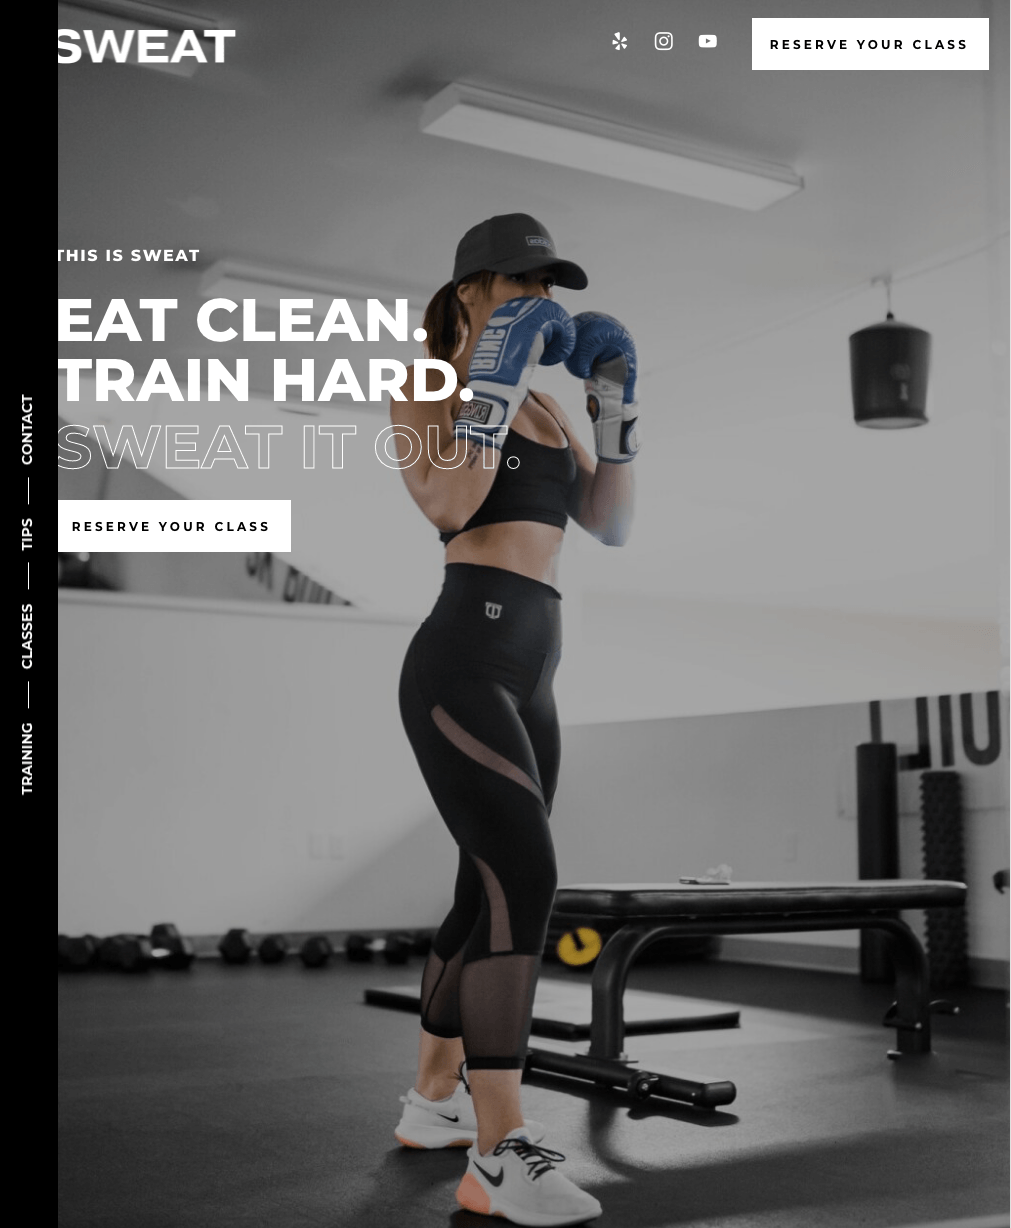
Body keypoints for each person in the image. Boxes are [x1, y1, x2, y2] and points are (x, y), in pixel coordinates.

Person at [392, 213, 638, 1227]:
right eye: (518, 282)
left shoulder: (544, 408)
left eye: (550, 281)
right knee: (525, 874)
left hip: (538, 661)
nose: (540, 295)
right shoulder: (425, 389)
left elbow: (611, 523)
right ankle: (498, 1150)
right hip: (462, 655)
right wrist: (486, 377)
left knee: (479, 887)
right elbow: (450, 503)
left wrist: (616, 405)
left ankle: (430, 1101)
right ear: (467, 295)